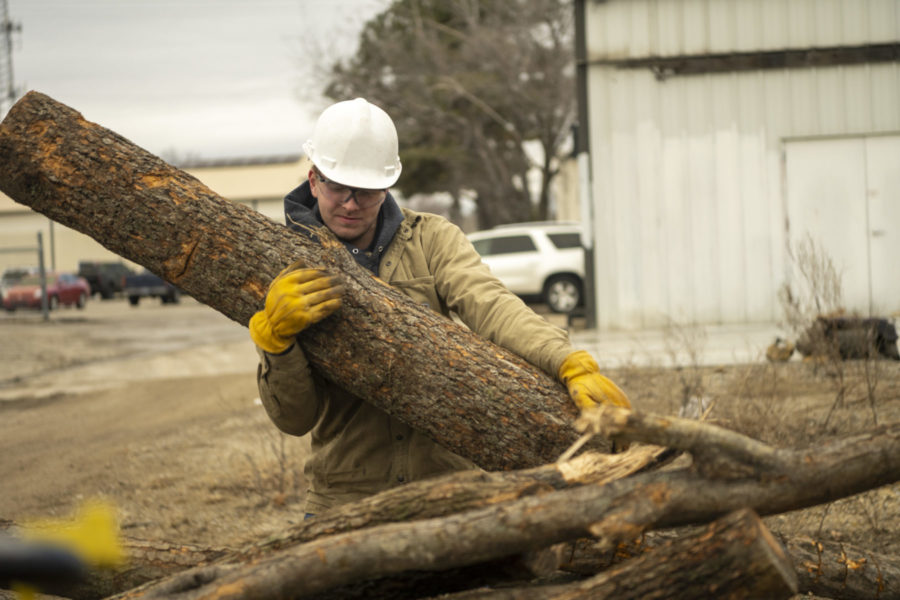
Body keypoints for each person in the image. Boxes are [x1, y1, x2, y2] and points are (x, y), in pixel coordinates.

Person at [248, 98, 631, 515]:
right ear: (314, 179)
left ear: (387, 186)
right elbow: (294, 420)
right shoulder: (285, 263)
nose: (351, 203)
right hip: (346, 499)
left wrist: (567, 360)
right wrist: (275, 342)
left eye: (366, 190)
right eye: (339, 187)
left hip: (448, 490)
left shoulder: (431, 240)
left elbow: (489, 303)